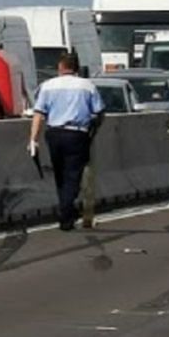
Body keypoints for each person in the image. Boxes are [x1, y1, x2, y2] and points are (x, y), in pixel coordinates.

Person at [29, 53, 105, 231]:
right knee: (73, 174)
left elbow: (39, 114)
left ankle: (67, 209)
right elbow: (99, 112)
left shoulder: (47, 86)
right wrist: (94, 129)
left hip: (54, 133)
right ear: (77, 68)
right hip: (77, 134)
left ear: (60, 67)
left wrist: (33, 139)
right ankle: (66, 211)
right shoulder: (87, 86)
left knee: (60, 173)